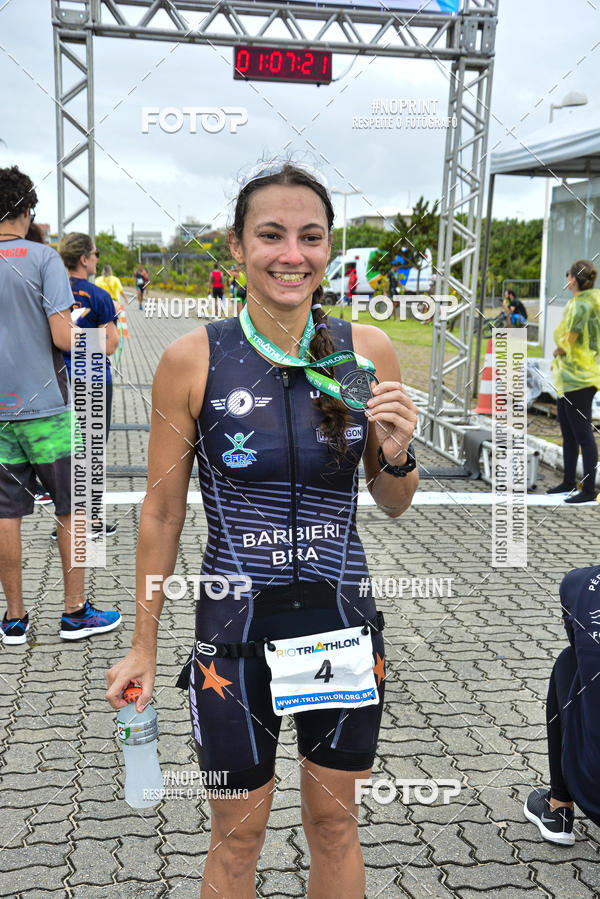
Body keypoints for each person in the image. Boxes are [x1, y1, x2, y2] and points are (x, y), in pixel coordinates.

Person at [106, 161, 419, 897]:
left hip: (337, 623)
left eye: (310, 237)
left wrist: (400, 455)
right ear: (237, 246)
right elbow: (160, 510)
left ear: (329, 248)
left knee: (335, 826)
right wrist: (143, 642)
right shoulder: (192, 358)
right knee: (238, 835)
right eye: (271, 234)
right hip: (233, 632)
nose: (292, 253)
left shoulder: (360, 350)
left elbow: (393, 499)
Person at [0, 165, 121, 644]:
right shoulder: (44, 258)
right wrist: (104, 341)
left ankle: (13, 619)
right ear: (28, 211)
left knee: (6, 514)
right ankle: (74, 613)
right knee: (76, 508)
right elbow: (61, 335)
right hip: (48, 409)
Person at [524, 564, 600, 845]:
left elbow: (580, 648)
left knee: (569, 663)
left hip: (593, 788)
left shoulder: (580, 583)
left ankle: (559, 809)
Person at [58, 233, 120, 537]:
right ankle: (91, 522)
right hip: (93, 379)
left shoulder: (49, 292)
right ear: (84, 259)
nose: (97, 258)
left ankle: (66, 523)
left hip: (57, 380)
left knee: (66, 452)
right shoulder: (98, 295)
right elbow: (110, 344)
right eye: (94, 254)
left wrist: (65, 343)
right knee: (92, 452)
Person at [547, 260, 600, 503]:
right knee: (568, 431)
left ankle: (588, 489)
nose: (566, 279)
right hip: (569, 377)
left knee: (582, 434)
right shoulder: (584, 302)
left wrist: (558, 351)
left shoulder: (582, 307)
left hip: (580, 378)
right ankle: (569, 480)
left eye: (568, 275)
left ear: (573, 280)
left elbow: (571, 339)